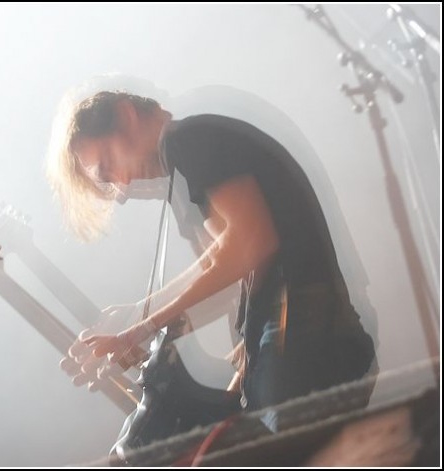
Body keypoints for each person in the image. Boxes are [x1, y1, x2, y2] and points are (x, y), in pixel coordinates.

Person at [46, 90, 376, 454]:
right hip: (309, 332)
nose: (122, 187)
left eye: (108, 165)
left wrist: (140, 327)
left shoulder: (187, 140)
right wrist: (140, 315)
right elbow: (225, 269)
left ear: (126, 115)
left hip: (307, 333)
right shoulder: (189, 152)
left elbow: (248, 244)